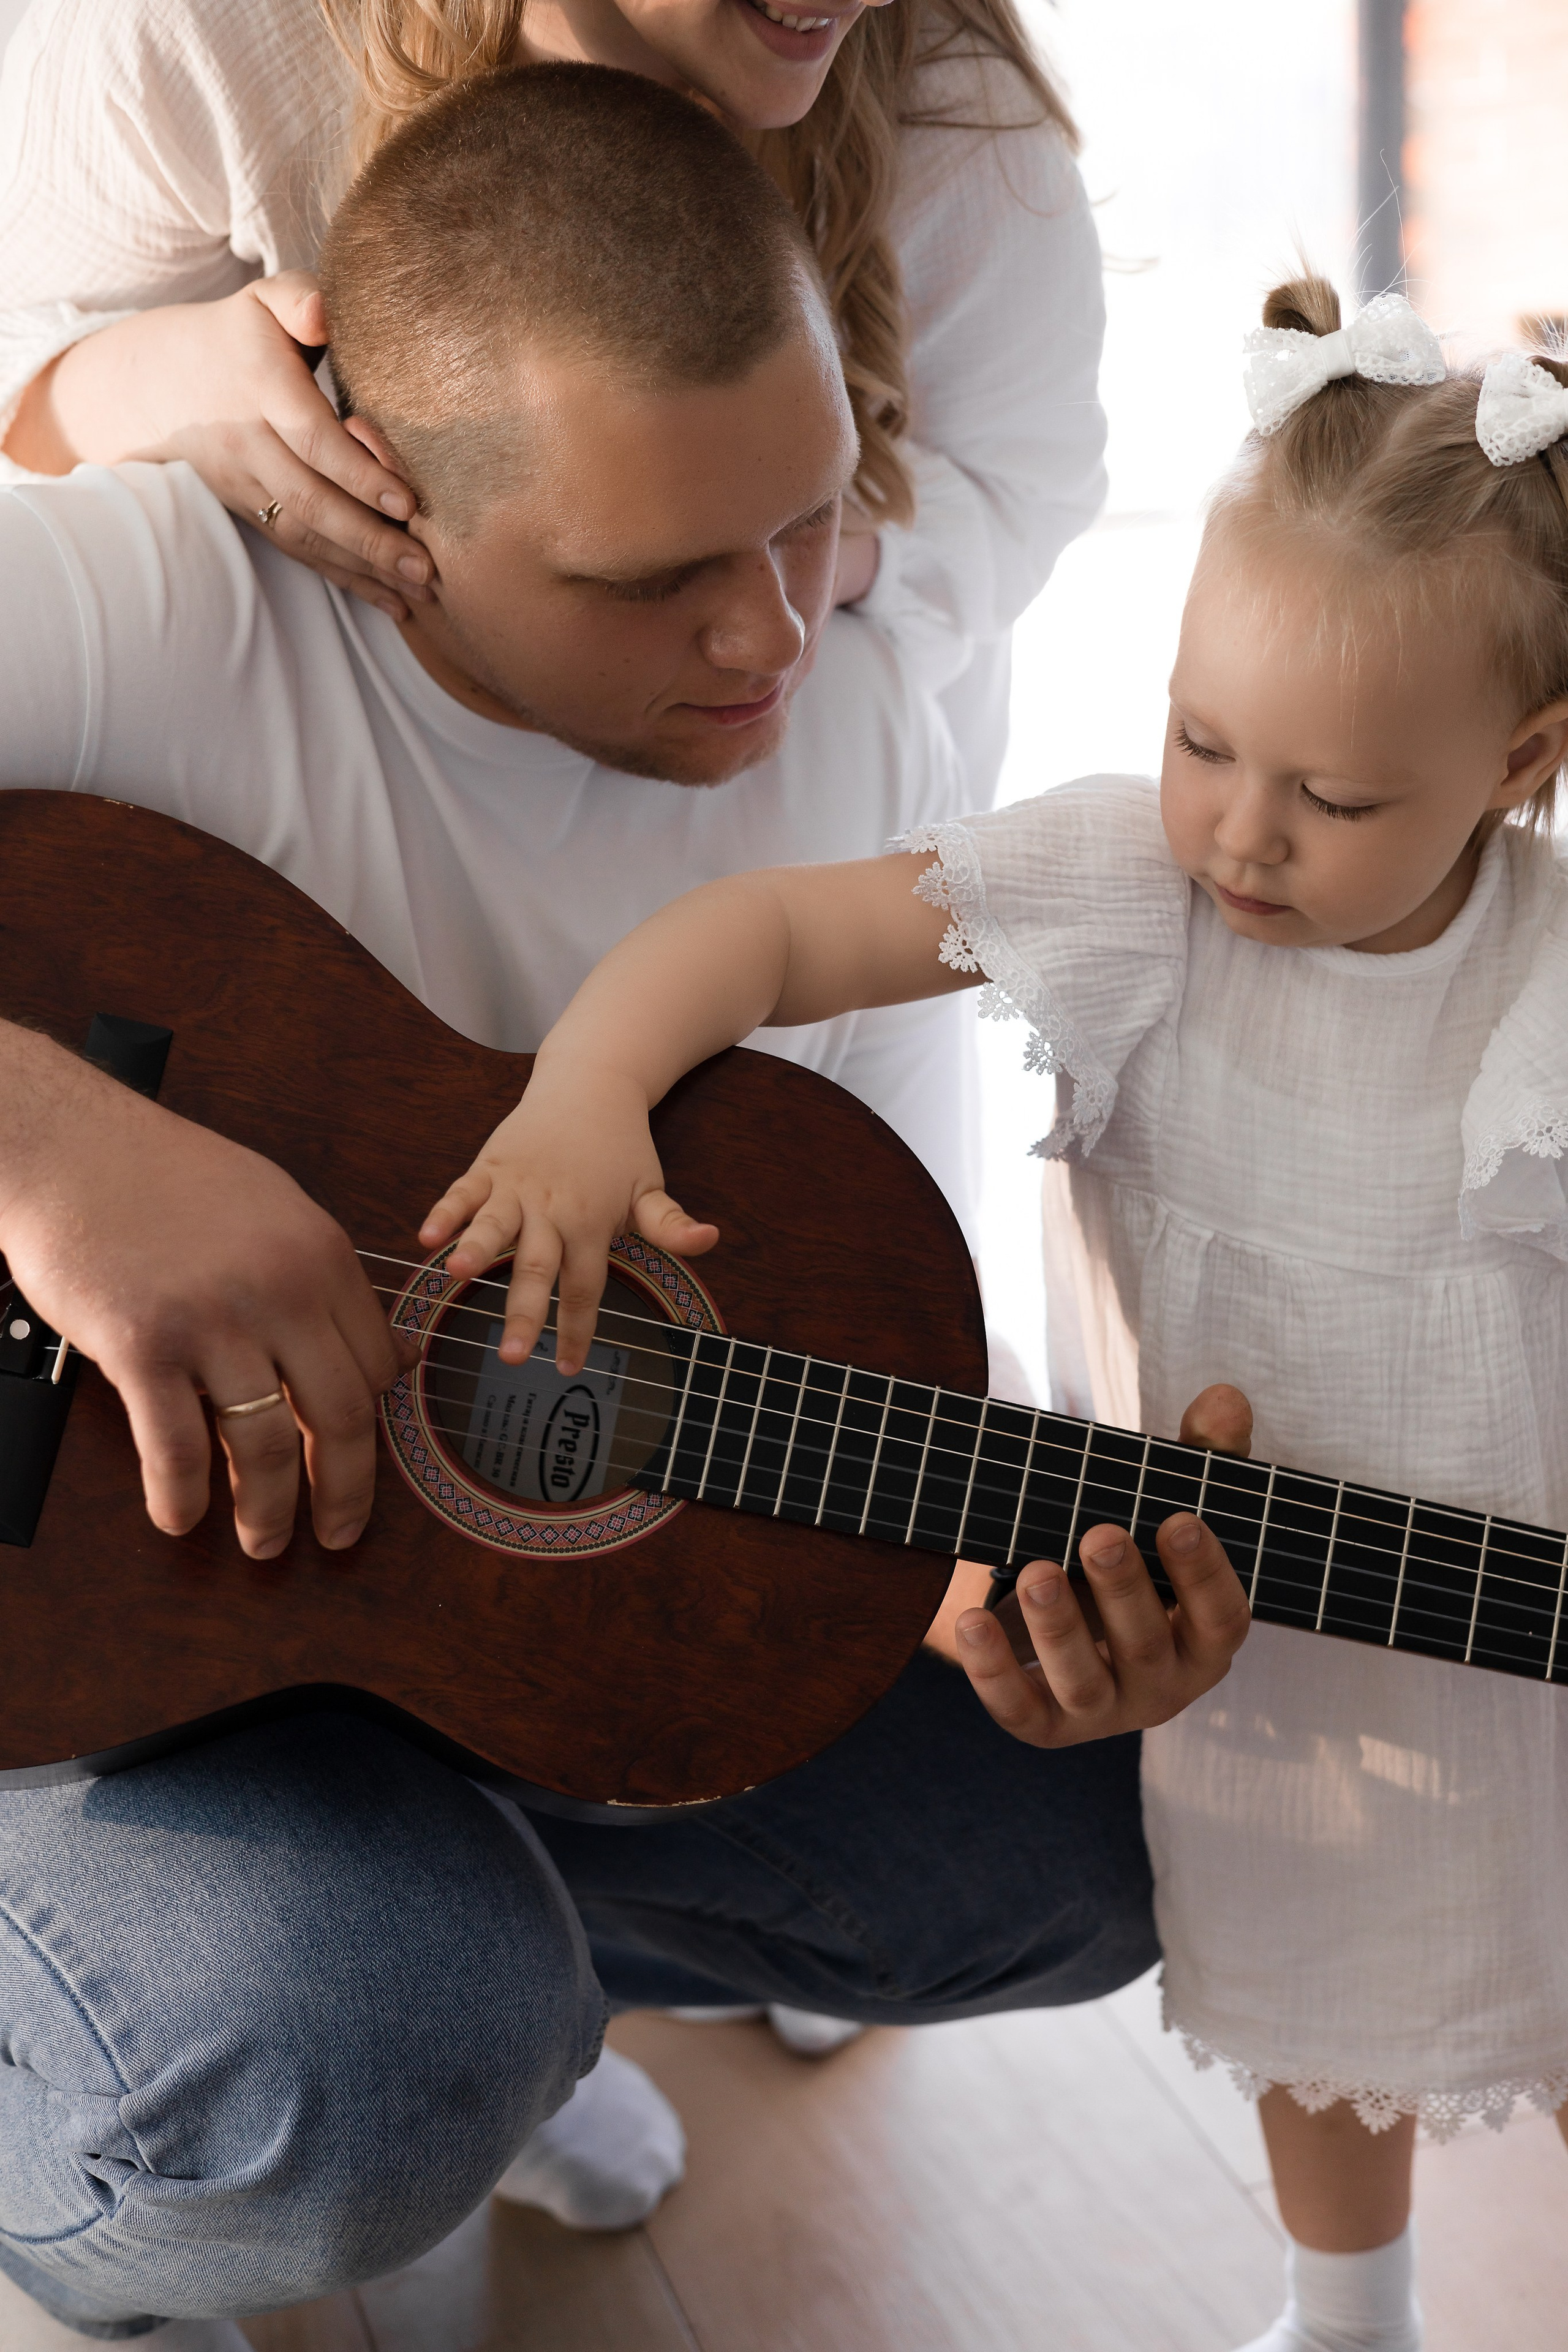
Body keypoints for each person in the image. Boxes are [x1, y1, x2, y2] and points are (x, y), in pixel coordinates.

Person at [0, 68, 1252, 2346]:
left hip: (408, 1598)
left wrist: (992, 1604)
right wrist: (55, 1157)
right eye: (655, 580)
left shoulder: (854, 740)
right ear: (397, 506)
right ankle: (197, 2047)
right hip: (56, 1639)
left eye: (807, 523)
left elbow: (797, 1374)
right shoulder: (147, 605)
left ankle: (436, 1949)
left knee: (1119, 1828)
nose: (772, 636)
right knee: (339, 2063)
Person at [431, 276, 1568, 2352]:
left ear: (1521, 763)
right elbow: (767, 931)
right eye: (1202, 740)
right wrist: (589, 1090)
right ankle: (1354, 2315)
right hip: (1262, 1634)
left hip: (1528, 1602)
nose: (1240, 825)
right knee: (1320, 1983)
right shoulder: (1136, 895)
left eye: (1334, 799)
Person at [0, 0, 1106, 801]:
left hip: (795, 836)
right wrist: (145, 381)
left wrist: (778, 557)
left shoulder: (960, 118)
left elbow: (1024, 491)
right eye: (649, 573)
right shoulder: (197, 33)